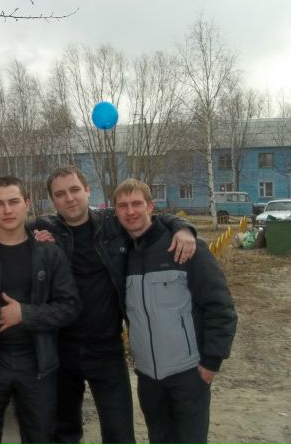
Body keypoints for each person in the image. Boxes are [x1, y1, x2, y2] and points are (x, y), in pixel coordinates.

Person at [32, 166, 197, 444]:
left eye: (74, 189)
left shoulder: (112, 223)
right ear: (52, 200)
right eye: (60, 194)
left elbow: (152, 218)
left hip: (107, 349)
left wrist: (183, 228)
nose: (69, 198)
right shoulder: (45, 228)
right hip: (61, 350)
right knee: (63, 433)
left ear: (88, 191)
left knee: (119, 434)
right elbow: (3, 230)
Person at [0, 175, 81, 444]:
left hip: (37, 362)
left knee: (40, 436)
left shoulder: (49, 253)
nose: (7, 210)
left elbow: (71, 307)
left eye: (14, 202)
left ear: (26, 204)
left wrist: (25, 314)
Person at [113, 178, 237, 444]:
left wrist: (211, 363)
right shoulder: (123, 254)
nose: (130, 211)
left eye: (136, 203)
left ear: (150, 206)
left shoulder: (185, 247)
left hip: (188, 375)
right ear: (116, 212)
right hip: (148, 378)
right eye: (123, 206)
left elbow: (220, 306)